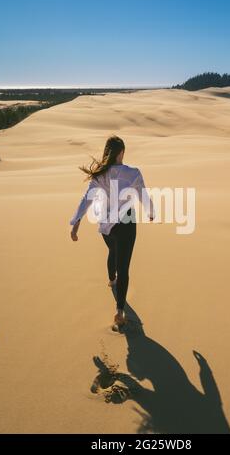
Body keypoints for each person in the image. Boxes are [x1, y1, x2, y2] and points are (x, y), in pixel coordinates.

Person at [70, 135, 155, 328]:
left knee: (112, 251)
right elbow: (143, 195)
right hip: (126, 222)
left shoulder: (100, 175)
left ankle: (111, 281)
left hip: (106, 224)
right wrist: (151, 212)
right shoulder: (133, 173)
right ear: (122, 153)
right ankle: (119, 311)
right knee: (124, 266)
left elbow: (87, 198)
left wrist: (76, 222)